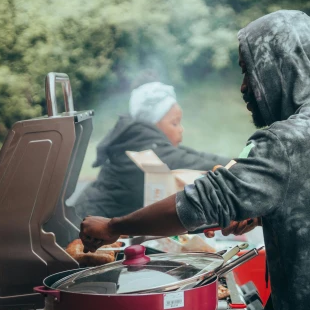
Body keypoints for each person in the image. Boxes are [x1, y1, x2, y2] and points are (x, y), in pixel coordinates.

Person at [78, 10, 310, 310]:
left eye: (248, 70)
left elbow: (203, 201)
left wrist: (114, 226)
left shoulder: (288, 141)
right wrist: (267, 213)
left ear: (279, 67)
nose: (244, 86)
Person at [72, 82, 229, 220]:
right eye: (175, 123)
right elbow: (196, 162)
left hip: (92, 218)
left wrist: (243, 162)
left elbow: (195, 155)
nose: (181, 129)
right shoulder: (147, 152)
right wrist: (245, 167)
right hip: (87, 228)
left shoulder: (142, 142)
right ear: (153, 123)